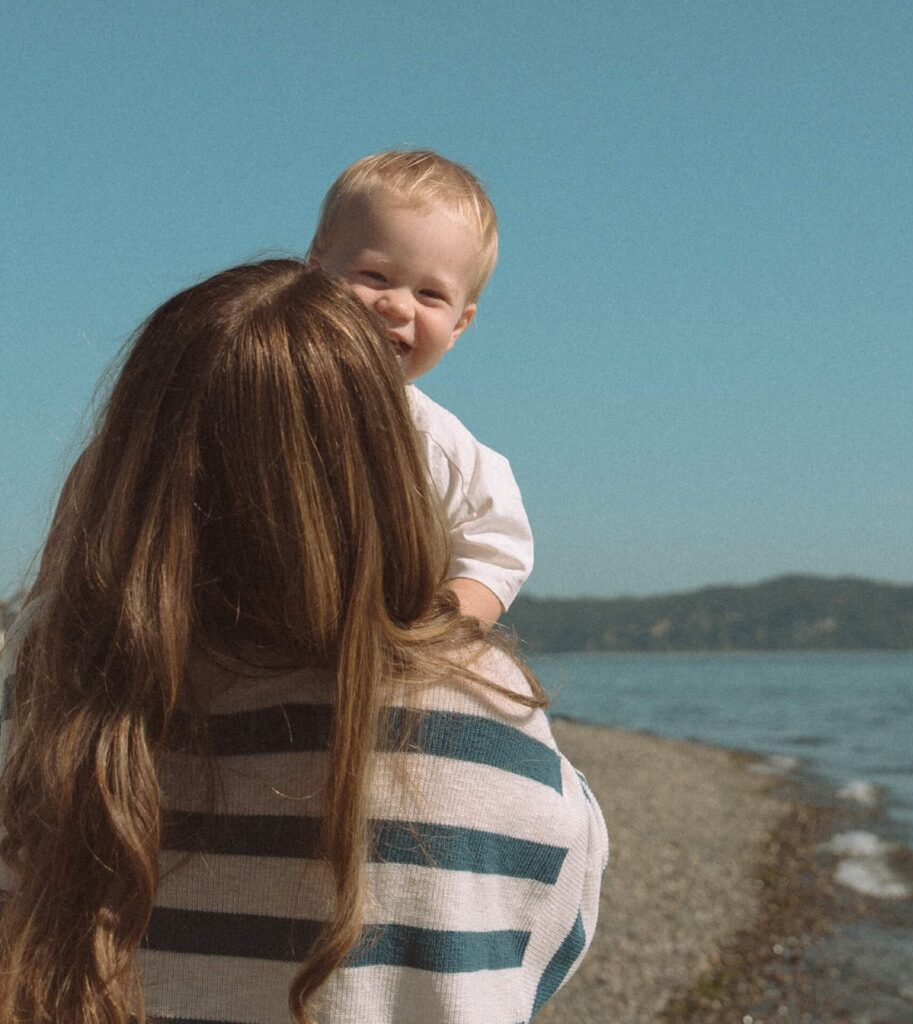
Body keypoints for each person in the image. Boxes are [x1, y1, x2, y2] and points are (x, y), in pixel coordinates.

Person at [0, 261, 607, 1024]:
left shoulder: (52, 696)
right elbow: (552, 928)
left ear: (129, 468)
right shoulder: (478, 710)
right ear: (391, 466)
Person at [308, 150, 531, 628]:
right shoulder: (246, 387)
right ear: (314, 270)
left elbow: (497, 548)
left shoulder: (437, 443)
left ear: (458, 326)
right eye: (374, 276)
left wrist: (441, 633)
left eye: (430, 295)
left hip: (386, 654)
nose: (397, 306)